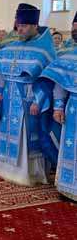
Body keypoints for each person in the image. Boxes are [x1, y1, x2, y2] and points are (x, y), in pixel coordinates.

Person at [0, 4, 55, 186]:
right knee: (6, 131)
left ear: (34, 26)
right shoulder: (11, 47)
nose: (20, 29)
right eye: (18, 25)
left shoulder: (44, 50)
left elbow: (47, 79)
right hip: (9, 97)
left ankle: (28, 173)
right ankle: (6, 169)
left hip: (28, 99)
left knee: (26, 135)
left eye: (24, 26)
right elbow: (1, 70)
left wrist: (38, 101)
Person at [33, 39, 76, 200]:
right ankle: (68, 187)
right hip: (73, 107)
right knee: (69, 148)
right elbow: (60, 82)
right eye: (73, 26)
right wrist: (58, 107)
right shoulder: (69, 58)